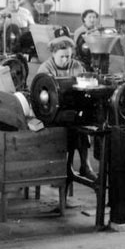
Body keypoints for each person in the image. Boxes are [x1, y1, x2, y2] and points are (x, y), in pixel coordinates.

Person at [37, 36, 95, 180]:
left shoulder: (76, 66)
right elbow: (42, 96)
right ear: (53, 54)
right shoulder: (45, 68)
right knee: (73, 124)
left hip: (72, 108)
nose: (66, 60)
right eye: (62, 56)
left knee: (81, 122)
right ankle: (64, 166)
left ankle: (84, 165)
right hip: (51, 112)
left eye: (68, 56)